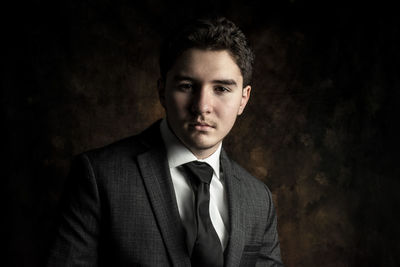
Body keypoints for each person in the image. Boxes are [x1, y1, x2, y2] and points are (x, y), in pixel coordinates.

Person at [47, 17, 283, 266]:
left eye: (221, 89)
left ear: (244, 99)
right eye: (187, 86)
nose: (202, 106)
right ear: (162, 91)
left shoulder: (258, 198)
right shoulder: (99, 176)